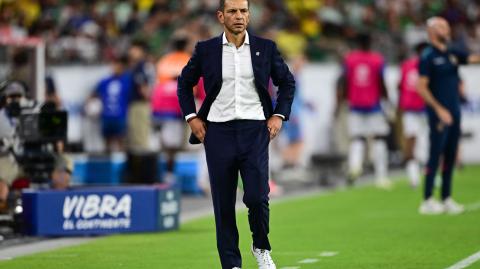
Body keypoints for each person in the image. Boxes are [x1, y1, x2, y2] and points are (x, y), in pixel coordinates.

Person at [177, 0, 295, 268]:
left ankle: (261, 247)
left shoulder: (265, 48)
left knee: (257, 197)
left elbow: (286, 82)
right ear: (221, 16)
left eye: (243, 11)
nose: (238, 16)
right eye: (232, 11)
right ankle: (231, 263)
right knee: (223, 202)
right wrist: (191, 117)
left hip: (255, 130)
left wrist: (278, 114)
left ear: (249, 15)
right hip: (217, 132)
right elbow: (184, 83)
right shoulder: (206, 50)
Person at [417, 17, 480, 215]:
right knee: (435, 155)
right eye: (443, 26)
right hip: (439, 114)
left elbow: (472, 59)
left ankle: (446, 198)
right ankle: (427, 199)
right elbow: (421, 87)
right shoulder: (428, 56)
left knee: (451, 155)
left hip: (455, 112)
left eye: (447, 25)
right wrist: (438, 109)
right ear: (432, 31)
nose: (447, 29)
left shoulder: (452, 52)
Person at [338, 33, 392, 189]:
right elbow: (382, 82)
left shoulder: (350, 59)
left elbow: (344, 81)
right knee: (379, 138)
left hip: (355, 104)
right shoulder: (377, 59)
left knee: (357, 138)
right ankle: (381, 176)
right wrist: (386, 100)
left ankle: (355, 167)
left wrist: (344, 100)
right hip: (373, 105)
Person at [152, 35, 192, 182]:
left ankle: (163, 171)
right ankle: (169, 173)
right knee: (174, 145)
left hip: (160, 106)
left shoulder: (164, 60)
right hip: (176, 106)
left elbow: (157, 83)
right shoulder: (187, 59)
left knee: (162, 143)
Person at [398, 42, 429, 188]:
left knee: (419, 144)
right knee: (416, 143)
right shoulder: (428, 66)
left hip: (418, 109)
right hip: (416, 109)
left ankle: (421, 176)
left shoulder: (406, 65)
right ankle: (415, 177)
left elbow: (400, 86)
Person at [89, 55, 132, 152]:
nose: (116, 68)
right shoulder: (105, 81)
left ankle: (122, 164)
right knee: (107, 143)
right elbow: (93, 93)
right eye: (114, 65)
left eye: (119, 66)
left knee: (121, 141)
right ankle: (107, 163)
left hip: (120, 116)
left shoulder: (127, 81)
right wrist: (90, 103)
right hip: (106, 116)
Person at [127, 40, 153, 152]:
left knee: (140, 135)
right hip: (136, 103)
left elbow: (143, 86)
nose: (132, 52)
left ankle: (142, 163)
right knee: (135, 134)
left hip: (140, 104)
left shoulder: (141, 66)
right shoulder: (137, 66)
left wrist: (147, 99)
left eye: (135, 49)